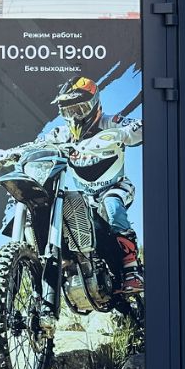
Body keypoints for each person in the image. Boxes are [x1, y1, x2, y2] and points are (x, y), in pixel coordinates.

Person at [46, 76, 144, 294]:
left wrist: (126, 132)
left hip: (116, 187)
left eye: (79, 109)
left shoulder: (112, 122)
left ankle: (132, 269)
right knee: (65, 212)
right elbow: (39, 144)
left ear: (94, 105)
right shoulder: (63, 134)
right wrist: (9, 154)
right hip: (86, 197)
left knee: (112, 205)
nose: (74, 116)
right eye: (68, 111)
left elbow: (139, 127)